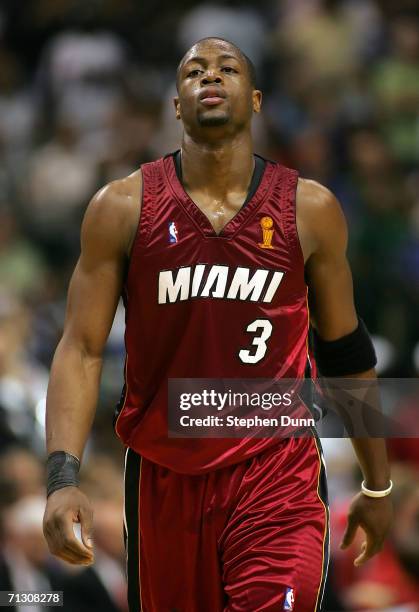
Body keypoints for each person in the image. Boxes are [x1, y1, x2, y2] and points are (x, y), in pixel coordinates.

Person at [43, 37, 393, 612]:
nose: (210, 76)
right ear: (177, 105)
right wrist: (61, 478)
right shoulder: (121, 207)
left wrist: (377, 483)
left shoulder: (310, 208)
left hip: (277, 469)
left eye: (227, 69)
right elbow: (80, 348)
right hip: (165, 476)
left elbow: (345, 351)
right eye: (195, 71)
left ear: (254, 100)